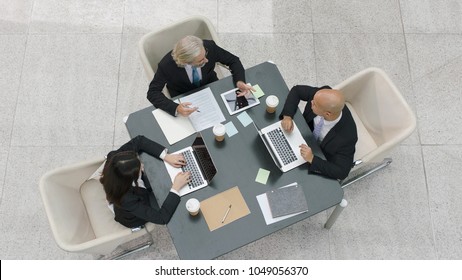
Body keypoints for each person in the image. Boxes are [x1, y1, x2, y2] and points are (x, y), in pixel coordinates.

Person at [147, 35, 254, 117]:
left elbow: (233, 60)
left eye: (205, 55)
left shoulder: (209, 47)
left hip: (210, 86)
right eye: (201, 60)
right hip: (184, 97)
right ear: (185, 62)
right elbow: (152, 93)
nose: (206, 60)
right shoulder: (166, 66)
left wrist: (240, 81)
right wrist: (176, 108)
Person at [100, 135, 191, 228]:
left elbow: (139, 140)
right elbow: (162, 218)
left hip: (132, 191)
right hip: (133, 216)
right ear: (130, 179)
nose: (143, 166)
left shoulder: (114, 158)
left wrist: (166, 156)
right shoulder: (128, 200)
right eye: (139, 169)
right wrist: (176, 188)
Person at [279, 85, 358, 180]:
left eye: (314, 104)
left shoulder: (348, 137)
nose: (311, 101)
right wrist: (287, 116)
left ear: (327, 113)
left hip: (319, 154)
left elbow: (342, 172)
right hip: (302, 137)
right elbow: (297, 90)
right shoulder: (320, 96)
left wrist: (312, 159)